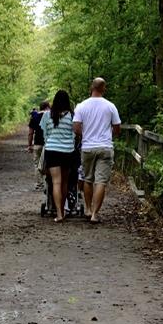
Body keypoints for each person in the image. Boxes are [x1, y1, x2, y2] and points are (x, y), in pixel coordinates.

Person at [73, 77, 120, 224]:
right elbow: (117, 127)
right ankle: (95, 214)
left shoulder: (81, 106)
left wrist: (85, 135)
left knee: (88, 179)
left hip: (87, 147)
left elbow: (76, 127)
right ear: (103, 88)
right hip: (105, 147)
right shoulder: (110, 106)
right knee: (101, 182)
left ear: (91, 87)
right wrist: (109, 135)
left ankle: (87, 208)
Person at [39, 91, 75, 222]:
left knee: (55, 182)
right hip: (67, 151)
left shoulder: (47, 115)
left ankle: (59, 214)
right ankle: (64, 210)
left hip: (52, 150)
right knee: (65, 182)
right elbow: (74, 135)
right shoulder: (72, 116)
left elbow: (45, 135)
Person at [27, 101, 49, 189]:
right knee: (49, 164)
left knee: (37, 164)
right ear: (48, 107)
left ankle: (39, 184)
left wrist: (30, 145)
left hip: (37, 144)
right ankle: (49, 184)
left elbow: (30, 133)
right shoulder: (51, 116)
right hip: (48, 144)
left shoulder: (34, 117)